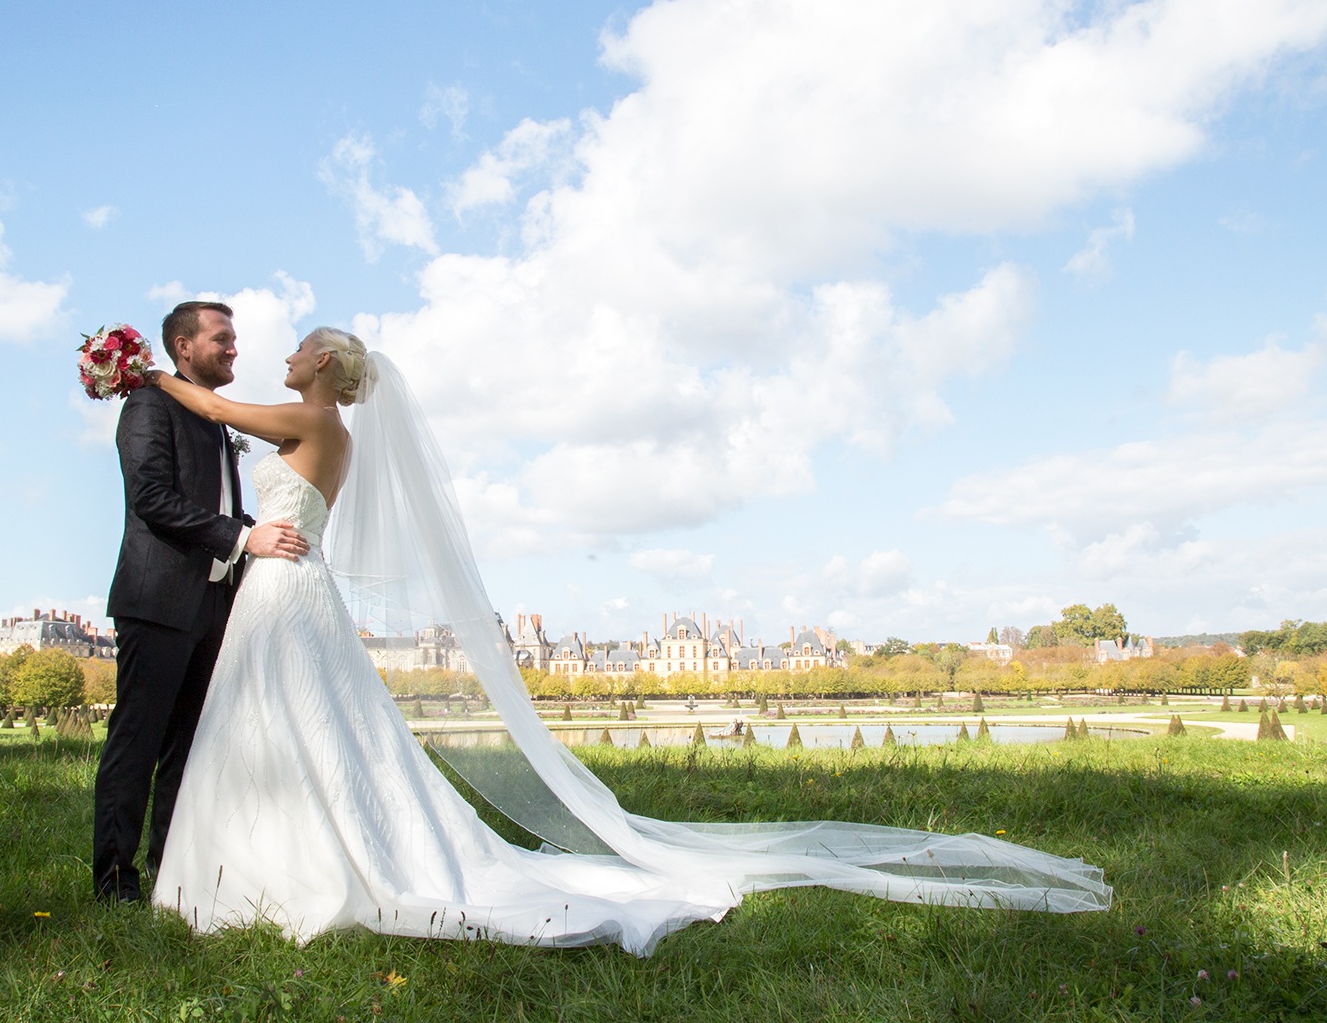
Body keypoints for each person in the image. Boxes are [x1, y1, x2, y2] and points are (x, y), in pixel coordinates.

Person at [145, 329, 1111, 955]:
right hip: (283, 581)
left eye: (306, 344)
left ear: (329, 371)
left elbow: (223, 411)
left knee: (283, 722)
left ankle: (267, 865)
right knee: (294, 725)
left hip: (284, 583)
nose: (290, 348)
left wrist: (134, 370)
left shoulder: (309, 417)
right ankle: (276, 853)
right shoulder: (317, 424)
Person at [92, 301, 311, 903]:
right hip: (157, 599)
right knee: (137, 741)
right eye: (223, 338)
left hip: (214, 605)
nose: (235, 347)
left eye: (235, 338)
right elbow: (152, 498)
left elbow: (212, 504)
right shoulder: (148, 405)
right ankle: (114, 881)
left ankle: (170, 870)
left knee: (188, 744)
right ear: (183, 347)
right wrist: (244, 537)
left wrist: (259, 533)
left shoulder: (213, 419)